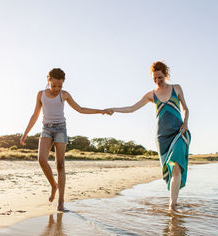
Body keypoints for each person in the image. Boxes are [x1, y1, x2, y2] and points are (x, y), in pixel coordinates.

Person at [20, 68, 109, 211]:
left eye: (60, 86)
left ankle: (61, 202)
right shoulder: (40, 95)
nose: (56, 89)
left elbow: (80, 109)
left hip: (61, 129)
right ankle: (53, 185)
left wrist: (101, 111)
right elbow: (35, 115)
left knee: (60, 164)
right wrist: (25, 133)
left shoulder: (64, 95)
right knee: (42, 160)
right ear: (48, 81)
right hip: (46, 129)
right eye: (54, 85)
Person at [107, 61, 191, 212]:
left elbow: (185, 108)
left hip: (179, 131)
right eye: (155, 79)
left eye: (160, 77)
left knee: (177, 166)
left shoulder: (176, 88)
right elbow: (132, 108)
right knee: (170, 168)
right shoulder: (151, 95)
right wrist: (114, 109)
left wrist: (185, 123)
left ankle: (172, 205)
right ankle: (173, 203)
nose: (158, 81)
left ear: (165, 75)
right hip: (162, 136)